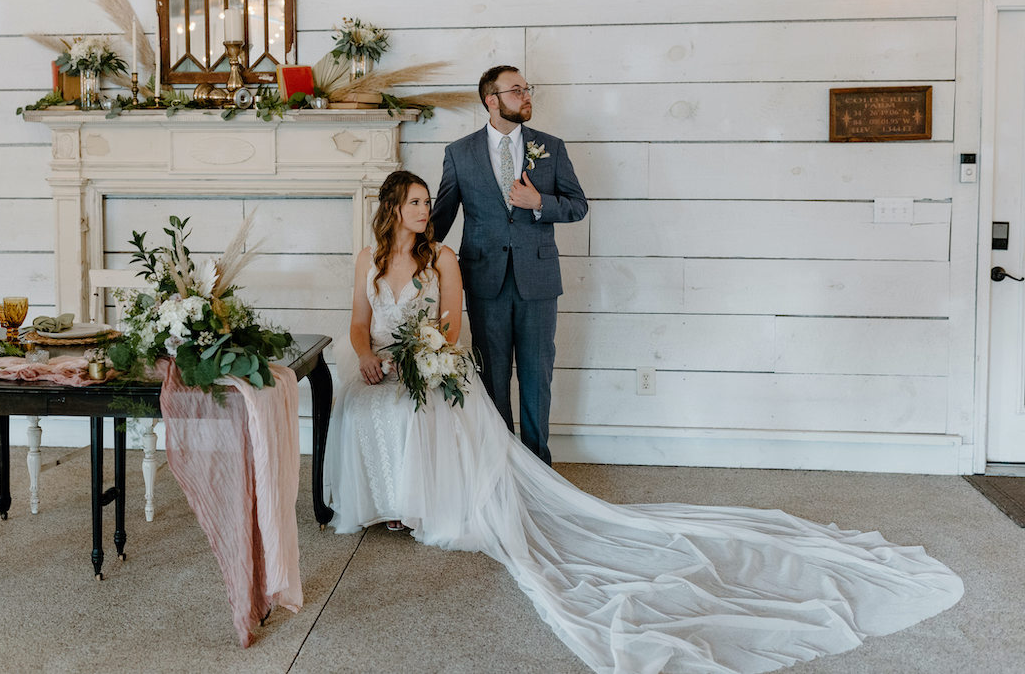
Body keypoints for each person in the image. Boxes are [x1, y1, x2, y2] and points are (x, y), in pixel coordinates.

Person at [326, 169, 963, 674]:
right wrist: (368, 355)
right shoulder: (367, 260)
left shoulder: (445, 260)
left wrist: (424, 354)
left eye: (423, 201)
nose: (422, 209)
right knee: (362, 400)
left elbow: (453, 325)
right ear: (391, 210)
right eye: (412, 202)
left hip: (434, 363)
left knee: (427, 403)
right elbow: (359, 321)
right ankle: (386, 500)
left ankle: (421, 504)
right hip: (383, 360)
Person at [430, 65, 587, 464]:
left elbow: (577, 206)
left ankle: (539, 470)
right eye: (516, 90)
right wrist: (406, 257)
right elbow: (442, 218)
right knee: (492, 378)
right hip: (485, 282)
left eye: (527, 89)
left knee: (537, 378)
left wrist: (540, 205)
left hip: (538, 280)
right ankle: (502, 467)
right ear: (491, 100)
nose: (526, 95)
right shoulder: (459, 153)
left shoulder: (551, 147)